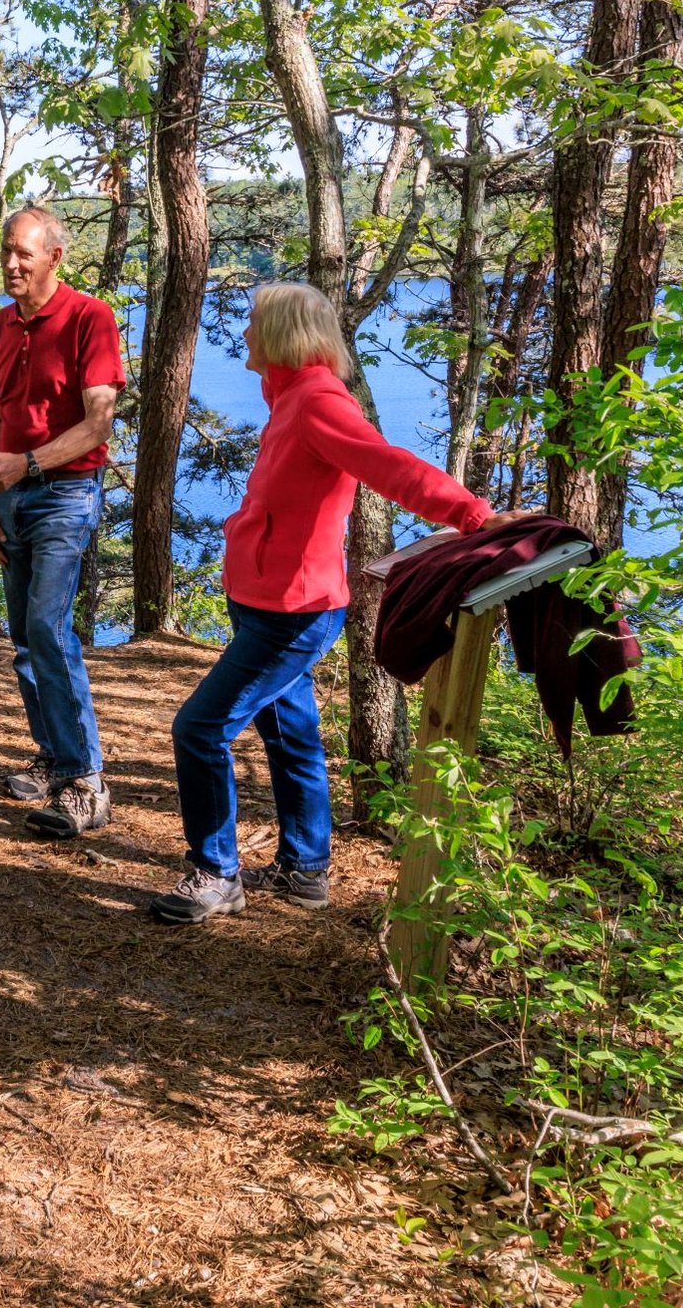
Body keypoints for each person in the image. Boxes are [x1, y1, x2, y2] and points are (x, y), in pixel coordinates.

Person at [146, 283, 516, 925]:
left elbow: (390, 465)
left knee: (200, 729)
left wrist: (472, 515)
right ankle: (306, 869)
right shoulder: (289, 398)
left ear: (284, 333)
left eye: (255, 323)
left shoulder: (318, 401)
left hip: (294, 614)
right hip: (268, 604)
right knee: (290, 736)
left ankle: (215, 872)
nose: (246, 334)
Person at [0, 204, 125, 839]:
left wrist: (24, 466)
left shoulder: (91, 317)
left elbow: (98, 423)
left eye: (23, 254)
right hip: (9, 497)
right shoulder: (0, 326)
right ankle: (57, 757)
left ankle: (86, 780)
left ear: (54, 258)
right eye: (6, 251)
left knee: (47, 627)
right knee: (24, 637)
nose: (10, 263)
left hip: (64, 493)